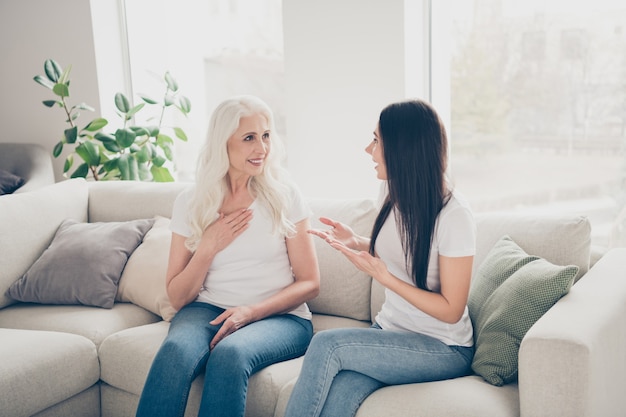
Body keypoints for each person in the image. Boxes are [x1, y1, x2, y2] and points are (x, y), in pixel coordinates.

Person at [284, 98, 476, 417]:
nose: (367, 150)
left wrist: (384, 278)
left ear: (402, 149)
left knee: (325, 345)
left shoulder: (454, 215)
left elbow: (451, 310)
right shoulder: (391, 190)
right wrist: (357, 242)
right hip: (389, 330)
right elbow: (401, 253)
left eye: (376, 140)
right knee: (339, 394)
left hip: (443, 347)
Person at [136, 95, 320, 417]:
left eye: (265, 136)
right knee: (175, 352)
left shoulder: (285, 195)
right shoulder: (191, 202)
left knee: (230, 354)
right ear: (223, 144)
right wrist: (208, 247)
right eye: (249, 138)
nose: (261, 148)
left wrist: (250, 312)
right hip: (207, 308)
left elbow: (310, 283)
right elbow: (178, 297)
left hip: (281, 317)